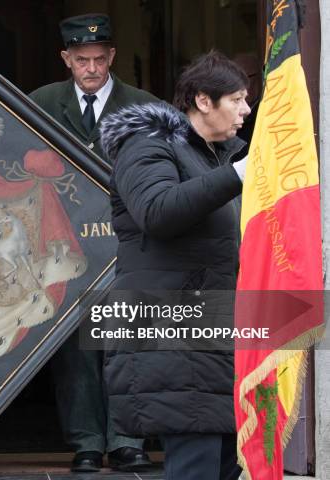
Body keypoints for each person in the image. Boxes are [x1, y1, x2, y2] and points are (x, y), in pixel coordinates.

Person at [99, 51, 250, 479]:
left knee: (223, 466)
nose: (246, 110)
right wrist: (237, 175)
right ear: (204, 101)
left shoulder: (213, 157)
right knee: (195, 467)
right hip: (170, 333)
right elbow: (158, 211)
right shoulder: (146, 146)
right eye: (237, 99)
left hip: (211, 334)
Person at [30, 13, 156, 473]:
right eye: (81, 60)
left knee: (127, 342)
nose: (91, 69)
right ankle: (85, 440)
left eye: (100, 59)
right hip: (64, 246)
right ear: (66, 58)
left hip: (127, 244)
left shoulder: (144, 106)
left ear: (113, 57)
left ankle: (127, 438)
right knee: (74, 349)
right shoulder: (39, 104)